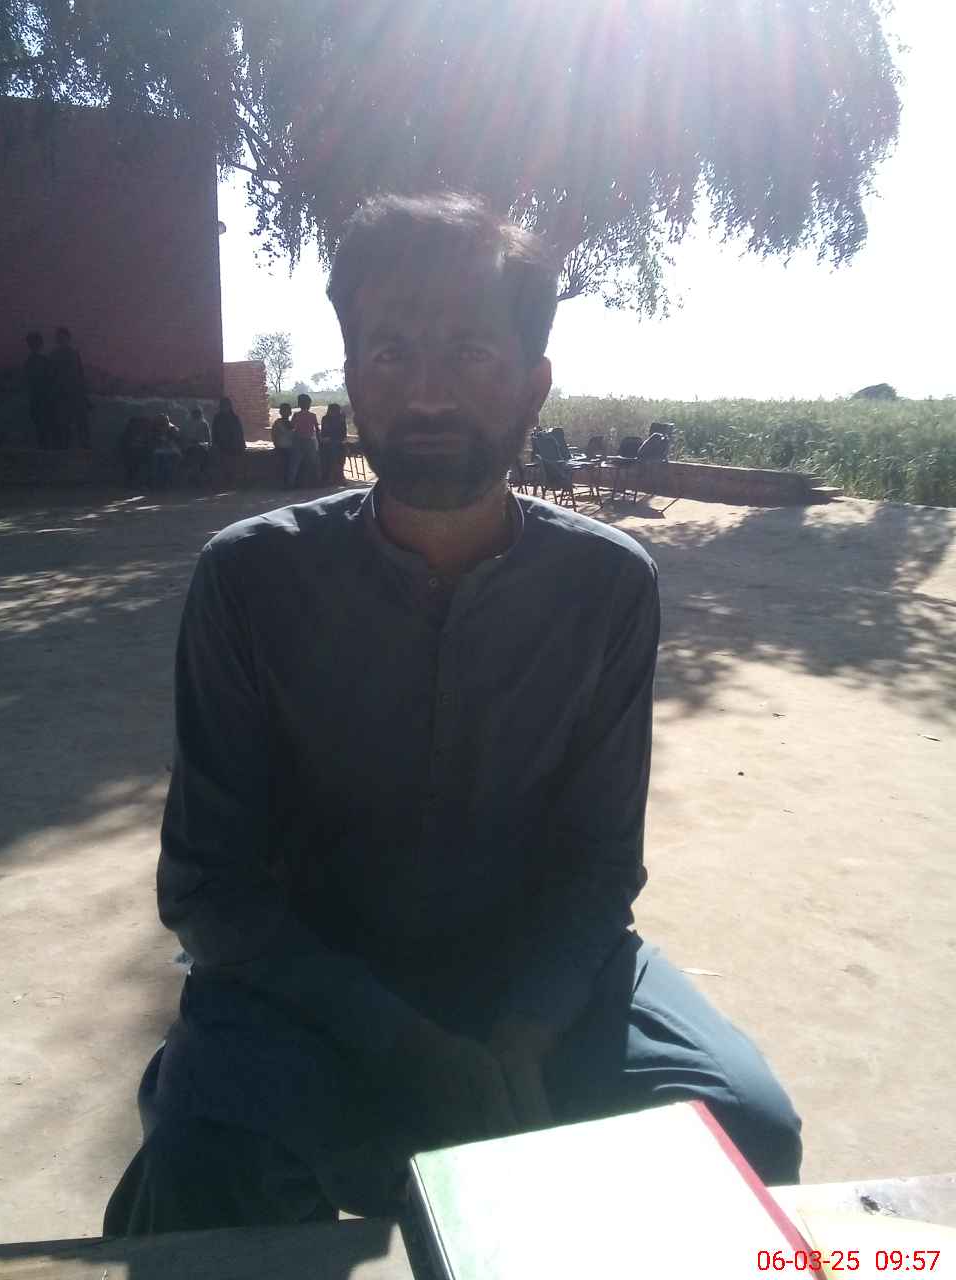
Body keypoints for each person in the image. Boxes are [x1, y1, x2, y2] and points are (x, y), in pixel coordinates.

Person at [103, 192, 801, 1238]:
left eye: (470, 353)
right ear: (353, 380)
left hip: (535, 974)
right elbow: (211, 888)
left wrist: (521, 1031)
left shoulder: (608, 585)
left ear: (534, 383)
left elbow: (597, 866)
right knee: (206, 1174)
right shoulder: (248, 579)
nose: (426, 392)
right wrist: (406, 1044)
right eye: (391, 353)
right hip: (304, 983)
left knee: (741, 1130)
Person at [49, 326, 91, 449]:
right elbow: (52, 375)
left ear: (68, 338)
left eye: (63, 338)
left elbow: (80, 374)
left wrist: (83, 394)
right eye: (59, 338)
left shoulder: (73, 354)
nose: (61, 340)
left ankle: (82, 445)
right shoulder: (54, 355)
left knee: (79, 421)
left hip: (74, 392)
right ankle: (66, 445)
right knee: (64, 422)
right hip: (62, 394)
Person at [23, 331, 54, 450]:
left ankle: (45, 445)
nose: (33, 346)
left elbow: (49, 378)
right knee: (40, 423)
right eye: (32, 344)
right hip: (39, 397)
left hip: (43, 397)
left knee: (42, 423)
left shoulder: (40, 361)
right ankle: (44, 445)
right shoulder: (32, 361)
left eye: (35, 343)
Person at [288, 392, 321, 488]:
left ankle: (290, 483)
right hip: (309, 441)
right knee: (313, 463)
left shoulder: (296, 415)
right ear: (309, 404)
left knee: (294, 464)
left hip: (298, 440)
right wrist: (319, 441)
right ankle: (316, 482)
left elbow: (291, 427)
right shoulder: (312, 415)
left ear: (299, 404)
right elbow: (317, 430)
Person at [211, 397, 246, 486]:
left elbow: (239, 433)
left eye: (226, 406)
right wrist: (215, 443)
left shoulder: (234, 418)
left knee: (232, 463)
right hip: (221, 445)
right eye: (223, 406)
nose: (224, 408)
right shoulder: (217, 418)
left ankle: (231, 481)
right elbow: (214, 432)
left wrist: (240, 444)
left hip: (233, 446)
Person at [179, 406, 213, 485]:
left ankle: (198, 477)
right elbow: (181, 436)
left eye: (198, 414)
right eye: (195, 414)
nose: (196, 416)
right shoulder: (186, 424)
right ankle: (196, 477)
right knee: (195, 457)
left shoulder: (204, 424)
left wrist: (206, 445)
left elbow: (208, 439)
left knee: (199, 457)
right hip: (189, 448)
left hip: (201, 448)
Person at [120, 415, 154, 489]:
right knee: (134, 463)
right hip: (130, 454)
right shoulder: (128, 434)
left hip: (142, 454)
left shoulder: (147, 434)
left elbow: (149, 445)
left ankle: (144, 483)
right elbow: (124, 445)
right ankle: (133, 483)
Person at [319, 402, 348, 486]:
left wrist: (342, 439)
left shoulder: (339, 418)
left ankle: (334, 478)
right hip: (331, 441)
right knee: (335, 457)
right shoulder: (327, 418)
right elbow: (325, 432)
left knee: (338, 458)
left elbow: (343, 431)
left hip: (336, 441)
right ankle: (336, 478)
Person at [150, 413, 181, 490]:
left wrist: (168, 440)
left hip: (172, 452)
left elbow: (175, 442)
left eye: (164, 422)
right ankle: (158, 483)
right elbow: (153, 444)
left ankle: (166, 483)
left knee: (167, 461)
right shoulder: (154, 430)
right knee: (158, 461)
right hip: (159, 452)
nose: (162, 427)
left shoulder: (172, 429)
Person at [271, 402, 295, 489]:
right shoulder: (278, 423)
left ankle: (287, 484)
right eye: (285, 411)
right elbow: (274, 435)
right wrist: (276, 445)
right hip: (282, 448)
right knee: (283, 467)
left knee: (287, 467)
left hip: (288, 448)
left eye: (287, 411)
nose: (286, 412)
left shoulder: (291, 423)